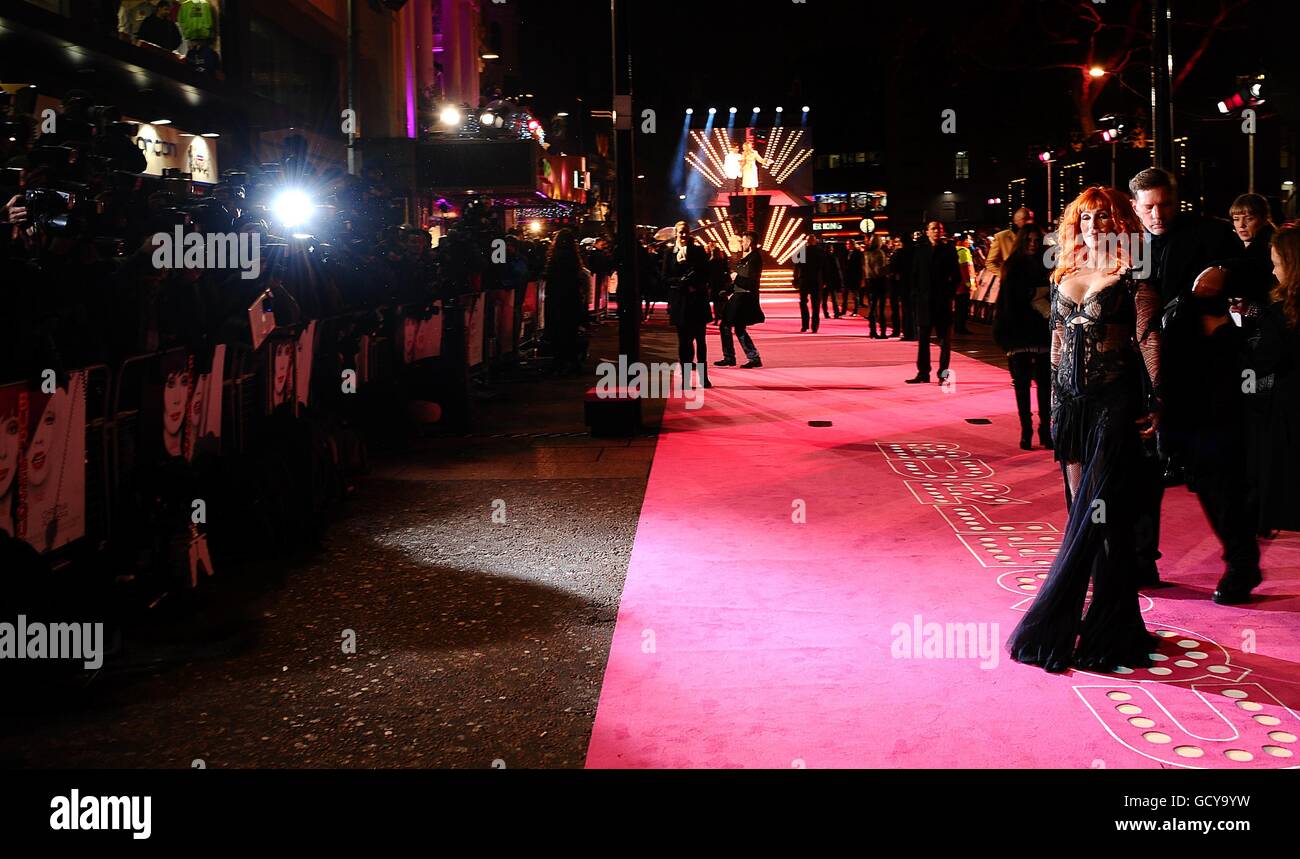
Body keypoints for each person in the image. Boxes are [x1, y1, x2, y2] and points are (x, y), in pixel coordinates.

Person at [1007, 186, 1162, 674]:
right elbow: (1056, 344)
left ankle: (1069, 623)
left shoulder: (1134, 275)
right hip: (1071, 411)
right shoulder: (1065, 273)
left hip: (1114, 406)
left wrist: (1158, 402)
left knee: (1096, 515)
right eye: (1086, 218)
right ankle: (1116, 623)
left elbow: (1148, 338)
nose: (1094, 226)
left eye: (1103, 217)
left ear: (1119, 222)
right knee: (1087, 513)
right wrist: (1052, 411)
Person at [1131, 168, 1264, 598]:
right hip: (1145, 377)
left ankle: (1241, 565)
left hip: (1203, 378)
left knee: (1215, 476)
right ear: (1135, 206)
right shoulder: (1128, 246)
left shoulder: (1211, 233)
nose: (1158, 213)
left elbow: (1261, 274)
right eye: (1149, 206)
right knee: (1144, 473)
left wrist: (1225, 275)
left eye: (1165, 203)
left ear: (1177, 200)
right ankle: (1141, 561)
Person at [992, 224, 1052, 450]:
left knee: (1045, 385)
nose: (1033, 244)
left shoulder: (1047, 263)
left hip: (1041, 333)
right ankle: (1026, 430)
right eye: (1029, 240)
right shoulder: (1013, 265)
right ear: (1021, 241)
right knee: (1022, 385)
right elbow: (1007, 302)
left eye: (1037, 240)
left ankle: (1045, 429)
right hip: (1017, 333)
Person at [906, 221, 961, 384]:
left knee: (945, 341)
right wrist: (916, 295)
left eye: (939, 229)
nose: (937, 231)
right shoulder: (920, 251)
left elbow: (956, 276)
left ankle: (943, 375)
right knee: (923, 340)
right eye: (933, 229)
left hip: (942, 301)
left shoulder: (949, 250)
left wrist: (948, 293)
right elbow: (914, 275)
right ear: (927, 232)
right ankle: (923, 373)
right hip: (924, 301)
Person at [662, 221, 713, 389]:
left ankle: (703, 377)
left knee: (700, 341)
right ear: (675, 233)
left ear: (689, 233)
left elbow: (706, 273)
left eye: (685, 232)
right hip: (680, 302)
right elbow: (665, 277)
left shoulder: (698, 251)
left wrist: (693, 283)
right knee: (684, 343)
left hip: (697, 300)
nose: (683, 235)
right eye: (680, 232)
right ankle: (685, 379)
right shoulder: (669, 253)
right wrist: (679, 282)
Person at [715, 231, 765, 369]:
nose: (741, 244)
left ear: (749, 242)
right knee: (736, 327)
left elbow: (745, 277)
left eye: (743, 241)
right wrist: (729, 289)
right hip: (742, 295)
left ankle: (735, 357)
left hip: (744, 296)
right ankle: (750, 357)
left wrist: (734, 273)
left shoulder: (754, 257)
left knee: (728, 325)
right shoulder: (750, 257)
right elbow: (740, 277)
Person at [543, 229, 587, 375]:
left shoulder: (555, 258)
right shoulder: (574, 259)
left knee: (558, 331)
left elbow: (550, 279)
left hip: (557, 299)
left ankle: (560, 361)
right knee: (570, 331)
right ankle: (572, 361)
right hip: (571, 300)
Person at [794, 231, 826, 333]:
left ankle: (805, 325)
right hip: (816, 280)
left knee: (803, 302)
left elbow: (797, 267)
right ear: (815, 241)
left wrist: (795, 279)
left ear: (807, 241)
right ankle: (815, 327)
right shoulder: (821, 252)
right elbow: (824, 268)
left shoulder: (802, 251)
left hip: (805, 279)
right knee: (815, 304)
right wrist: (824, 280)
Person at [864, 236, 889, 337]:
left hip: (869, 281)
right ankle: (882, 331)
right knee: (882, 307)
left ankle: (872, 330)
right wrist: (888, 268)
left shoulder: (866, 253)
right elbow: (879, 270)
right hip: (879, 281)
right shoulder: (879, 253)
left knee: (872, 306)